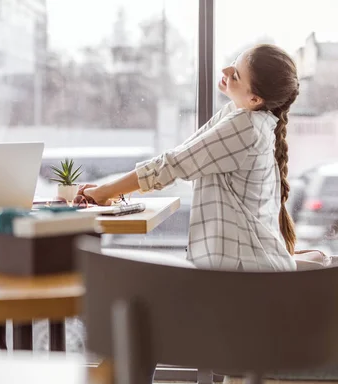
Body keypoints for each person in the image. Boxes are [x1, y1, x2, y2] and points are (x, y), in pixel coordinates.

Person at [78, 44, 300, 271]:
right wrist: (106, 191)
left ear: (255, 99)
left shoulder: (245, 125)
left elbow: (173, 165)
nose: (225, 70)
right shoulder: (242, 116)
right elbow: (179, 157)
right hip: (249, 271)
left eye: (235, 75)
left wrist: (103, 192)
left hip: (244, 275)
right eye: (233, 61)